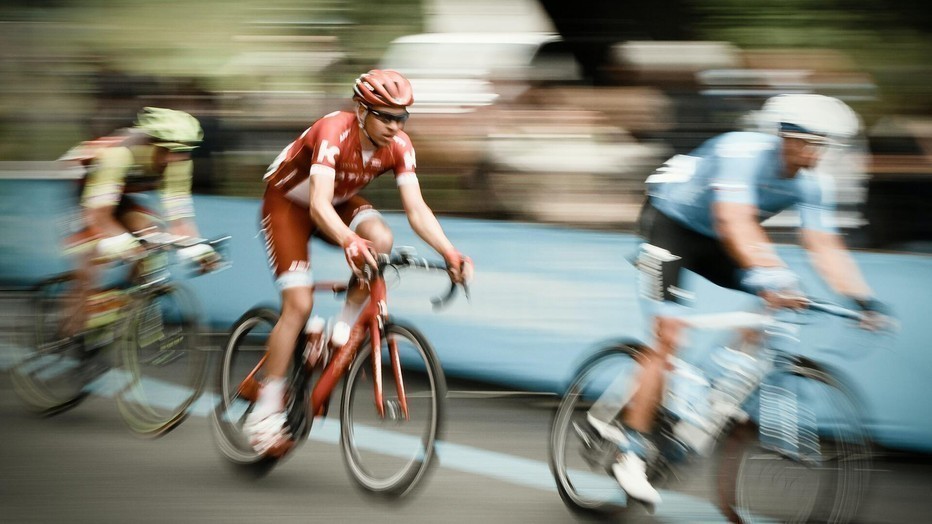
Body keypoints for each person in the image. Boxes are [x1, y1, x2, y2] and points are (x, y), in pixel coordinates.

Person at [586, 94, 887, 506]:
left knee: (778, 302)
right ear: (787, 137)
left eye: (827, 145)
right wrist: (770, 275)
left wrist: (862, 299)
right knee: (669, 336)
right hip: (670, 227)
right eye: (815, 142)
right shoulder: (739, 151)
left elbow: (823, 244)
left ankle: (719, 387)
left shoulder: (813, 183)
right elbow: (734, 221)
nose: (820, 153)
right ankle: (631, 451)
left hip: (720, 241)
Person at [245, 69, 474, 455]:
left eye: (401, 117)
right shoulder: (333, 131)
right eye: (384, 115)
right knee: (299, 305)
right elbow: (317, 206)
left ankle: (342, 331)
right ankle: (266, 408)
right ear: (360, 109)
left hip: (335, 202)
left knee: (382, 238)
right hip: (289, 206)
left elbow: (416, 210)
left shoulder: (399, 146)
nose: (393, 126)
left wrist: (449, 252)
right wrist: (350, 240)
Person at [61, 107, 216, 347]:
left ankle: (118, 307)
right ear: (150, 142)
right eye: (167, 151)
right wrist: (119, 241)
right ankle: (72, 328)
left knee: (150, 235)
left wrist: (198, 248)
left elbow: (179, 218)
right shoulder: (119, 155)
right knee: (92, 260)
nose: (173, 159)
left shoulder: (179, 159)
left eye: (183, 151)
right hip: (90, 191)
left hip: (123, 195)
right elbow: (98, 214)